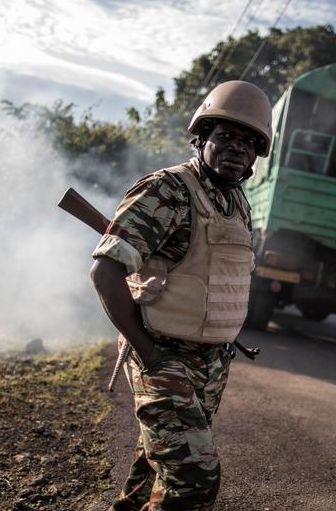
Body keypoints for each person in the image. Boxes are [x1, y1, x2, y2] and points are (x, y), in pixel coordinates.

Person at [90, 80, 272, 511]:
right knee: (194, 481)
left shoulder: (237, 201)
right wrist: (149, 354)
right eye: (226, 136)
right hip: (163, 355)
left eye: (249, 142)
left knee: (156, 465)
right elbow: (105, 271)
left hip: (211, 362)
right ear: (201, 138)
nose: (237, 149)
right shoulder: (168, 190)